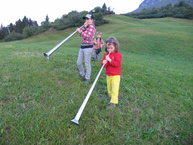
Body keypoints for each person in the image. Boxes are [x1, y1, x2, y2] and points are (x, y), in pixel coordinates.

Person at [101, 36, 122, 108]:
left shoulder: (118, 55)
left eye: (111, 48)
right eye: (108, 48)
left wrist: (110, 60)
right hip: (108, 74)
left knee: (114, 89)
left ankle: (113, 103)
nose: (109, 49)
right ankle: (111, 98)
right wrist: (104, 62)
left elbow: (117, 64)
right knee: (109, 89)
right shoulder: (106, 55)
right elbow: (104, 65)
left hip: (116, 75)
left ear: (115, 47)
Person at [76, 13, 96, 83]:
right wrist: (84, 28)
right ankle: (82, 74)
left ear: (92, 20)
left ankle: (87, 78)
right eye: (86, 19)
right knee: (79, 62)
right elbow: (81, 35)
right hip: (82, 46)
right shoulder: (87, 26)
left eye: (88, 19)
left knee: (87, 63)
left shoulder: (92, 27)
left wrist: (80, 31)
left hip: (88, 47)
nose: (86, 20)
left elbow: (88, 37)